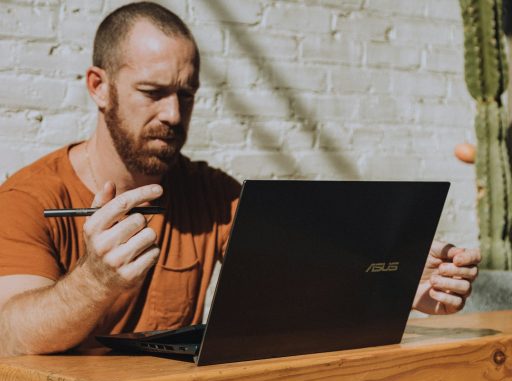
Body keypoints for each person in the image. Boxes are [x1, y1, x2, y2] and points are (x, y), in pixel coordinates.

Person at [0, 2, 480, 357]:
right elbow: (9, 335)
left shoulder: (209, 194)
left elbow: (304, 271)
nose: (172, 113)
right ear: (98, 87)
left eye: (186, 95)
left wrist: (396, 285)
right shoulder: (31, 197)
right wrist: (94, 280)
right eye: (153, 92)